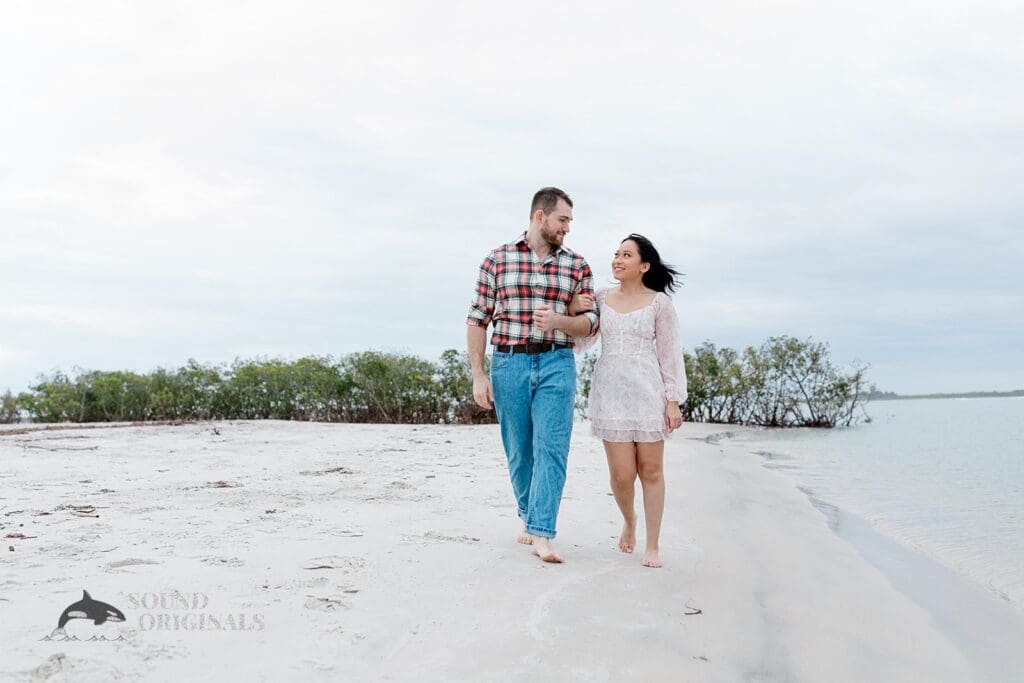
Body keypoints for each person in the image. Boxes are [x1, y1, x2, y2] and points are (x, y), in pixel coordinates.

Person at [466, 187, 599, 563]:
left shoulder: (577, 265)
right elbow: (478, 319)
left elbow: (591, 323)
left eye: (570, 221)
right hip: (509, 363)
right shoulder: (497, 259)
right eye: (562, 220)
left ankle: (542, 532)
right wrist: (478, 375)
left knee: (552, 448)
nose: (567, 228)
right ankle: (528, 513)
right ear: (540, 216)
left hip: (558, 362)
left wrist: (560, 320)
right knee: (519, 450)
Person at [569, 234, 685, 568]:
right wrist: (574, 311)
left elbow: (670, 352)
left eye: (626, 255)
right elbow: (583, 340)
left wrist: (673, 400)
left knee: (651, 470)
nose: (617, 260)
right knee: (622, 475)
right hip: (611, 393)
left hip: (649, 392)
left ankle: (653, 544)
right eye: (616, 254)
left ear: (644, 266)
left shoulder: (659, 303)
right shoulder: (602, 298)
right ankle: (629, 520)